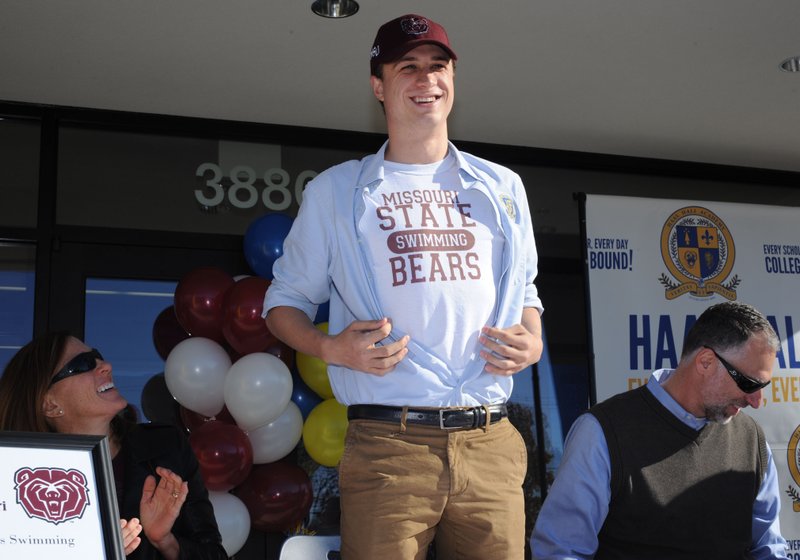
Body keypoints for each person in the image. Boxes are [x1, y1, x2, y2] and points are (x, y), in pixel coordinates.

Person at [263, 13, 543, 560]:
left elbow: (526, 294)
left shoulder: (503, 187)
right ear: (378, 86)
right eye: (407, 68)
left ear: (453, 80)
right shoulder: (336, 191)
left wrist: (532, 339)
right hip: (390, 444)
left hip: (491, 441)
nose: (426, 80)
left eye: (438, 67)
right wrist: (330, 348)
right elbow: (282, 304)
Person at [531, 301, 789, 559]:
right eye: (749, 384)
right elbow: (561, 550)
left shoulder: (752, 441)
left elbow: (769, 549)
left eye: (763, 386)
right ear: (706, 362)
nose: (757, 401)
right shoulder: (602, 433)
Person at [0, 332, 228, 560]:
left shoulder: (165, 447)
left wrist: (165, 541)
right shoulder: (16, 483)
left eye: (97, 357)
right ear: (50, 405)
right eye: (83, 364)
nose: (106, 365)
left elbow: (213, 554)